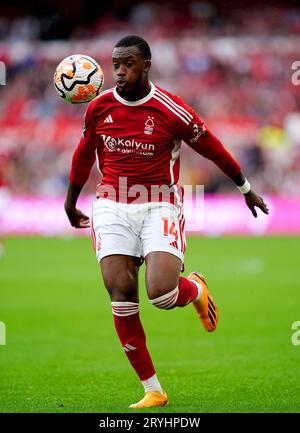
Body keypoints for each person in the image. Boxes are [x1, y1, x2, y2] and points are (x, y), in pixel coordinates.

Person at [64, 35, 269, 409]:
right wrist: (70, 199)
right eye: (116, 65)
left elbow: (213, 148)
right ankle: (153, 389)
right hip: (111, 203)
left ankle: (194, 289)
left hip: (159, 204)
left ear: (146, 65)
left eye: (128, 64)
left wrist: (245, 187)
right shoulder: (98, 107)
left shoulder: (171, 110)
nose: (120, 72)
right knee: (121, 293)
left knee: (161, 294)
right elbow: (82, 154)